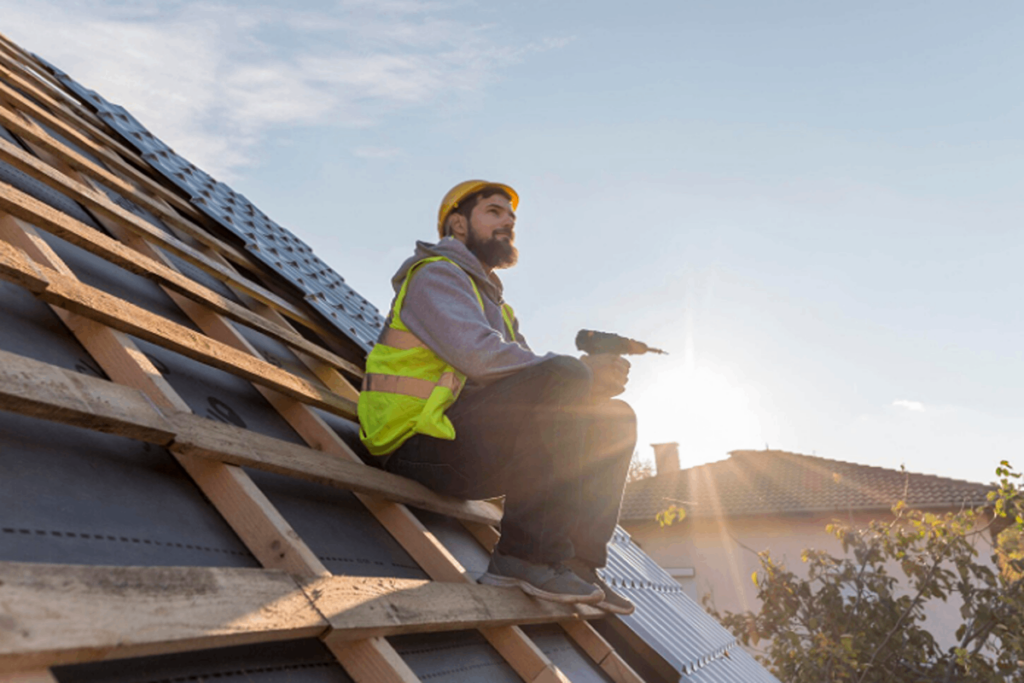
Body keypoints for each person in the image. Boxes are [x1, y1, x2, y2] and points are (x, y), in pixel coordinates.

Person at [358, 180, 636, 614]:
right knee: (565, 373)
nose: (508, 222)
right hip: (411, 444)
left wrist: (591, 385)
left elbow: (532, 384)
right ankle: (522, 557)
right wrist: (578, 372)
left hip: (460, 446)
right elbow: (480, 357)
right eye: (493, 211)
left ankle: (579, 564)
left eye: (512, 217)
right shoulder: (434, 274)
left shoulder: (501, 309)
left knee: (615, 417)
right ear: (458, 225)